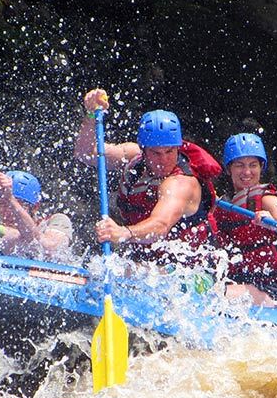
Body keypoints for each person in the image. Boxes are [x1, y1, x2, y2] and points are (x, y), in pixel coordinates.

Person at [73, 89, 221, 268]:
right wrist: (91, 116)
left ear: (178, 147)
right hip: (148, 265)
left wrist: (123, 232)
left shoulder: (181, 183)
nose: (163, 160)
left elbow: (161, 225)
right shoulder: (133, 157)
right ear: (143, 150)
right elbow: (85, 153)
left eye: (169, 151)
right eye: (156, 153)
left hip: (193, 271)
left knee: (121, 270)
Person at [213, 132, 277, 309]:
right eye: (240, 165)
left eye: (253, 165)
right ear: (229, 168)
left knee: (217, 295)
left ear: (261, 167)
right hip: (241, 282)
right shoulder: (222, 205)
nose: (247, 172)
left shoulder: (268, 199)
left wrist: (274, 224)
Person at [0, 170, 75, 262]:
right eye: (3, 204)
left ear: (35, 207)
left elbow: (49, 249)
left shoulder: (57, 220)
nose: (7, 212)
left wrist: (10, 199)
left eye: (17, 204)